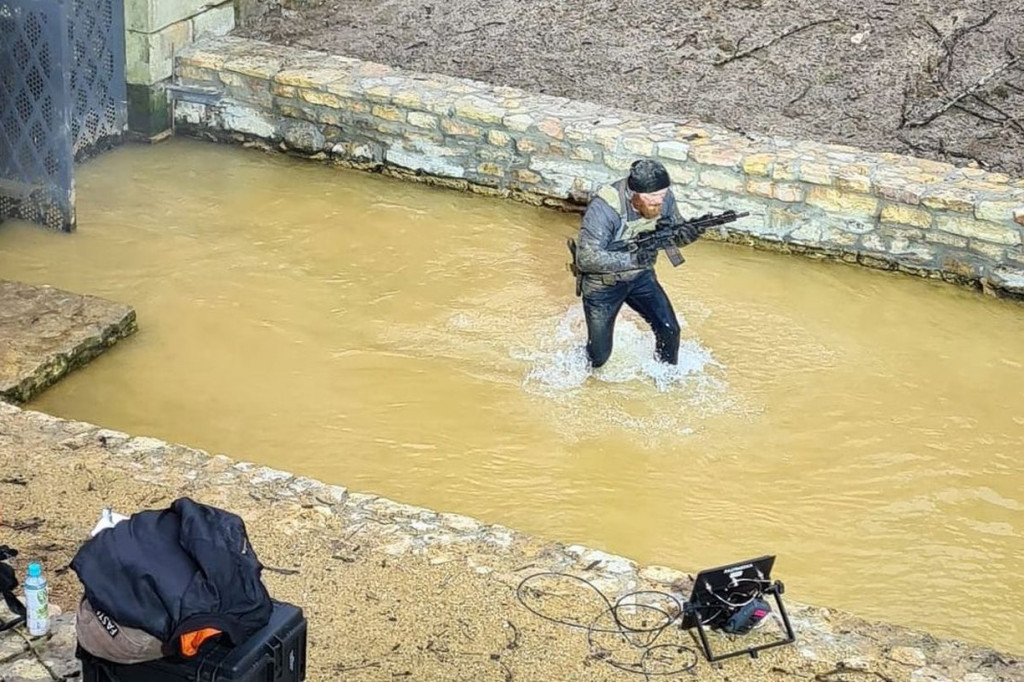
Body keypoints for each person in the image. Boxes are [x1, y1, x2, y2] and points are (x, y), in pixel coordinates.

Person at [573, 159, 702, 369]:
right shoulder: (604, 208)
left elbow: (673, 236)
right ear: (634, 194)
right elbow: (586, 259)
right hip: (603, 284)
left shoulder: (663, 198)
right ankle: (577, 370)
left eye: (663, 194)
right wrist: (634, 259)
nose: (659, 201)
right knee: (599, 356)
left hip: (640, 277)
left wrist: (690, 235)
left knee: (670, 330)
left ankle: (665, 379)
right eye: (652, 197)